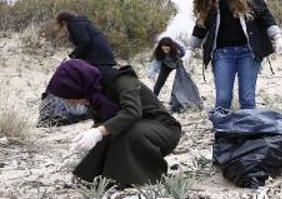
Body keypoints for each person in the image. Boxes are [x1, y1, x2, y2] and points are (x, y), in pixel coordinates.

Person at [45, 59, 182, 186]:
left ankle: (145, 176)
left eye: (70, 95)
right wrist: (89, 137)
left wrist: (98, 132)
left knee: (125, 131)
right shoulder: (95, 96)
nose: (70, 102)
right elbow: (104, 124)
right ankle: (101, 178)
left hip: (164, 130)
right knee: (112, 133)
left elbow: (132, 113)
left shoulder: (122, 81)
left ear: (78, 86)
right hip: (140, 129)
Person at [189, 0, 282, 110]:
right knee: (223, 99)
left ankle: (247, 133)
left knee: (247, 98)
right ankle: (222, 134)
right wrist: (190, 48)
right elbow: (202, 23)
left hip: (248, 52)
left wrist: (277, 37)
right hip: (222, 53)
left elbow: (263, 14)